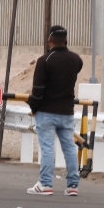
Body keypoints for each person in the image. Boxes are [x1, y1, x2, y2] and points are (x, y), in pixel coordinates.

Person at [26, 25, 83, 196]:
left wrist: (33, 108)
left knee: (47, 148)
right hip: (67, 111)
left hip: (46, 111)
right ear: (66, 40)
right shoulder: (76, 60)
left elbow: (38, 90)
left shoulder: (45, 60)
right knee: (70, 148)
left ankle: (45, 184)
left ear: (49, 40)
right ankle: (73, 185)